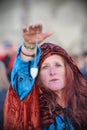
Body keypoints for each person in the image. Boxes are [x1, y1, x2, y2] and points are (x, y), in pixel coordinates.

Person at [4, 23, 87, 130]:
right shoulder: (32, 106)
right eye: (45, 67)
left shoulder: (83, 100)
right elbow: (21, 80)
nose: (52, 72)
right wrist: (29, 48)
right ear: (37, 75)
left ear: (68, 71)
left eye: (58, 65)